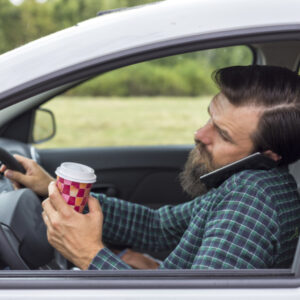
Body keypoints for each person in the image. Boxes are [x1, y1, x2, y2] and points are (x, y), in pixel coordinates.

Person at [1, 65, 300, 270]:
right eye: (210, 117)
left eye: (222, 134)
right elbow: (157, 227)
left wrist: (89, 255)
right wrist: (54, 190)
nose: (199, 134)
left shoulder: (252, 202)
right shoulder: (247, 183)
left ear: (268, 154)